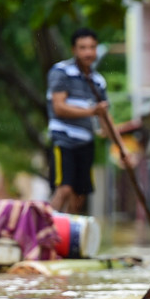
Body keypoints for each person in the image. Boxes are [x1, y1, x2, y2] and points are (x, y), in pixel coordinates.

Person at [47, 27, 108, 214]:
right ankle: (42, 231)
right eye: (83, 47)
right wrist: (91, 111)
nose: (88, 52)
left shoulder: (98, 81)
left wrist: (122, 150)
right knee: (64, 189)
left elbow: (104, 115)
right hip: (63, 139)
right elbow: (59, 107)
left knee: (79, 196)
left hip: (86, 142)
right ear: (74, 50)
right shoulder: (61, 72)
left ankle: (69, 239)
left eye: (92, 47)